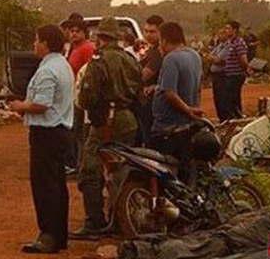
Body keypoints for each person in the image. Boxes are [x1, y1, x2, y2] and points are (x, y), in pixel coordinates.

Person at [71, 17, 141, 239]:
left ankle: (95, 221)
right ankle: (120, 219)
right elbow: (140, 92)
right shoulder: (130, 59)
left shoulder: (99, 61)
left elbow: (88, 97)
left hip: (105, 122)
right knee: (120, 171)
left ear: (99, 37)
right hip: (128, 119)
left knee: (89, 171)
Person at [10, 25, 74, 254]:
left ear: (46, 43)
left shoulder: (48, 70)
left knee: (44, 185)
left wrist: (20, 106)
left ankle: (48, 236)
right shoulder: (62, 65)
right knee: (56, 184)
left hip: (47, 132)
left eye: (36, 40)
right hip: (59, 131)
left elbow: (42, 104)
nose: (33, 44)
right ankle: (59, 236)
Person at [149, 22, 203, 181]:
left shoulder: (171, 59)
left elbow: (170, 93)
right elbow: (197, 87)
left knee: (162, 172)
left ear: (164, 41)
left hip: (168, 128)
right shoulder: (194, 55)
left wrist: (187, 110)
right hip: (186, 125)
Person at [65, 19, 95, 174]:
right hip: (74, 97)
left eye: (77, 31)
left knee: (82, 134)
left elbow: (90, 73)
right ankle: (77, 165)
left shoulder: (88, 48)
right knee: (76, 133)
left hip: (83, 98)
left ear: (85, 33)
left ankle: (82, 167)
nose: (74, 34)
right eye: (72, 31)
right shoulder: (74, 49)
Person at [136, 15, 164, 145]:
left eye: (152, 31)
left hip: (152, 102)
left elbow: (143, 75)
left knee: (150, 140)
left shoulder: (158, 52)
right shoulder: (151, 50)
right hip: (148, 100)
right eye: (146, 31)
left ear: (161, 32)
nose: (148, 35)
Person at [222, 21, 249, 119]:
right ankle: (236, 116)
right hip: (230, 74)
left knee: (232, 98)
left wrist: (245, 69)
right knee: (231, 98)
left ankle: (237, 117)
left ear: (234, 30)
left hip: (236, 75)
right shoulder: (230, 42)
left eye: (228, 28)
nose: (226, 31)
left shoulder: (239, 42)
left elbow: (243, 59)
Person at [205, 28, 229, 121]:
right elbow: (209, 56)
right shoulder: (219, 46)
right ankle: (221, 118)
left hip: (222, 75)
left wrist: (213, 58)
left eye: (222, 34)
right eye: (219, 34)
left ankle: (225, 118)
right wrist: (213, 58)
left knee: (222, 97)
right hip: (215, 75)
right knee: (217, 97)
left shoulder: (227, 46)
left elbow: (218, 60)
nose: (220, 36)